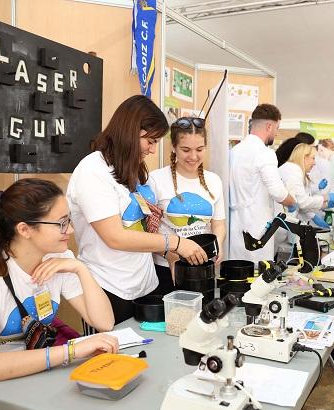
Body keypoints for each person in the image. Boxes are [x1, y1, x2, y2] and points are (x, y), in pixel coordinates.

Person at [0, 179, 117, 410]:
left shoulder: (59, 260)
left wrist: (80, 269)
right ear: (25, 229)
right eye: (61, 223)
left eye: (69, 219)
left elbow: (104, 322)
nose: (70, 230)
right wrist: (71, 350)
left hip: (33, 378)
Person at [67, 96, 207, 324]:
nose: (152, 150)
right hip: (109, 288)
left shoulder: (132, 168)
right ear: (129, 131)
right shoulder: (92, 171)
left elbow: (143, 227)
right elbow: (115, 237)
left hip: (144, 283)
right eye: (149, 141)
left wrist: (168, 255)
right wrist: (175, 243)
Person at [147, 117, 226, 291]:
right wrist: (170, 255)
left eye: (199, 149)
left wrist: (218, 243)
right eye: (185, 150)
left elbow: (218, 224)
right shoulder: (155, 180)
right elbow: (149, 231)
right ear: (173, 147)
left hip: (202, 267)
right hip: (166, 268)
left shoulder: (214, 181)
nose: (193, 156)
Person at [229, 104, 295, 263]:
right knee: (258, 277)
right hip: (257, 230)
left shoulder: (234, 151)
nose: (277, 133)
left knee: (238, 274)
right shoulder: (265, 153)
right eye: (277, 128)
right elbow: (277, 191)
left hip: (235, 227)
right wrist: (292, 201)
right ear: (269, 126)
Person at [278, 143, 334, 229]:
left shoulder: (295, 170)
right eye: (313, 158)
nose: (315, 163)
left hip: (286, 222)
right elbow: (303, 202)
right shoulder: (293, 171)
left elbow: (300, 201)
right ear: (304, 157)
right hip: (282, 224)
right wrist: (327, 198)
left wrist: (319, 210)